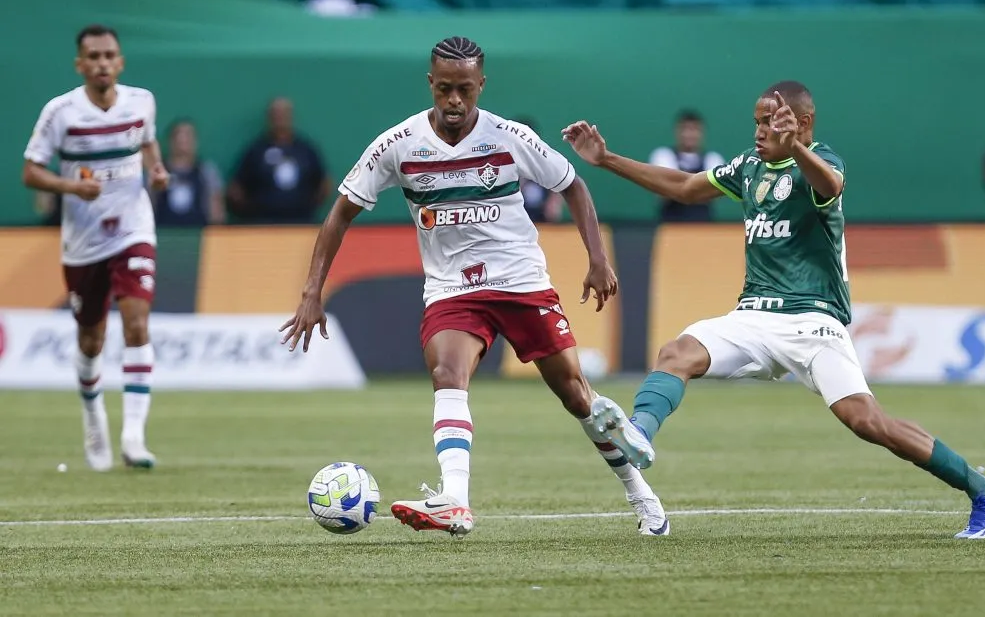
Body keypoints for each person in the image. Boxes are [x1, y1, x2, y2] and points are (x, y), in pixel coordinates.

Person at [561, 81, 985, 540]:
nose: (759, 131)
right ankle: (638, 433)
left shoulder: (822, 162)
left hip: (814, 322)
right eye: (756, 121)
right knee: (677, 352)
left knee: (868, 422)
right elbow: (685, 187)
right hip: (753, 317)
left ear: (802, 123)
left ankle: (984, 491)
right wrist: (607, 160)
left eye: (769, 122)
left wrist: (794, 146)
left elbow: (830, 184)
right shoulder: (749, 165)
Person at [281, 36, 669, 537]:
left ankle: (643, 497)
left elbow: (571, 183)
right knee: (447, 371)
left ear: (481, 85)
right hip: (452, 291)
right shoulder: (397, 145)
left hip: (521, 282)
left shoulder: (508, 137)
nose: (455, 102)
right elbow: (340, 214)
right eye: (444, 89)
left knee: (575, 397)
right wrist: (313, 292)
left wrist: (598, 258)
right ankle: (455, 501)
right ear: (430, 84)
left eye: (465, 89)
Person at [22, 24, 169, 471]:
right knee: (91, 338)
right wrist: (70, 186)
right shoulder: (61, 112)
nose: (102, 63)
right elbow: (30, 171)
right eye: (94, 56)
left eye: (110, 55)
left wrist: (157, 169)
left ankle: (134, 437)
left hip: (132, 226)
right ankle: (93, 416)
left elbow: (146, 141)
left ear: (120, 61)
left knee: (137, 323)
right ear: (80, 64)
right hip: (84, 241)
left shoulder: (141, 100)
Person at [227, 97, 331, 224]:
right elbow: (236, 189)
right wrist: (253, 212)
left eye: (284, 113)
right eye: (276, 113)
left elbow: (324, 184)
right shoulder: (256, 151)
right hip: (263, 225)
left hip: (301, 224)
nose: (280, 118)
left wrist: (306, 207)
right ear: (269, 117)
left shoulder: (306, 150)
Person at [648, 110, 724, 222]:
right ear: (677, 132)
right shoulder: (663, 155)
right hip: (670, 227)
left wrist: (678, 188)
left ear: (702, 133)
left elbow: (715, 194)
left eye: (694, 129)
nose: (689, 134)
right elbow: (663, 192)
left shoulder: (714, 159)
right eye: (685, 129)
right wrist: (700, 189)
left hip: (705, 228)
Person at [152, 118, 226, 226]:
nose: (182, 140)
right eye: (178, 136)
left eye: (187, 136)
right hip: (162, 236)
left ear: (195, 141)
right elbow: (148, 205)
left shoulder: (206, 172)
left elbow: (216, 212)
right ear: (170, 140)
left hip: (199, 236)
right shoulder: (157, 172)